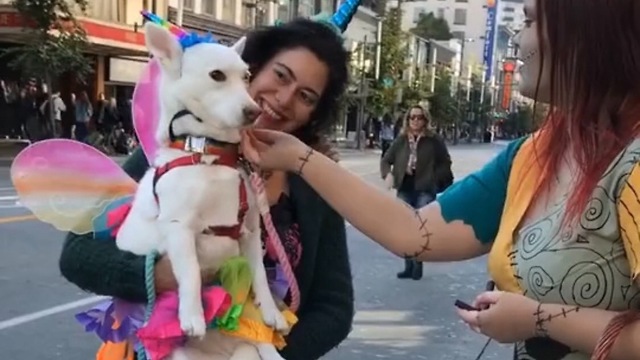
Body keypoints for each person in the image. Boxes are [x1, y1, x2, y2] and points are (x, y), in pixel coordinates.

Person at [239, 0, 640, 358]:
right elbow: (416, 232)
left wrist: (541, 319)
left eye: (530, 20)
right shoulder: (532, 155)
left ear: (585, 30)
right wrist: (299, 157)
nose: (518, 39)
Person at [58, 18, 354, 360]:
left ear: (314, 113)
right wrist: (157, 276)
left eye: (306, 96)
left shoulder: (315, 181)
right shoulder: (173, 150)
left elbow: (334, 309)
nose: (284, 99)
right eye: (281, 76)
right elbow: (77, 253)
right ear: (251, 70)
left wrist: (263, 352)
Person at [381, 105, 452, 280]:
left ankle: (418, 263)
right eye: (412, 117)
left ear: (425, 120)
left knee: (420, 227)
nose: (415, 121)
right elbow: (386, 160)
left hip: (425, 188)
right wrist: (388, 175)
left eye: (419, 117)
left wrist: (434, 178)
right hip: (405, 186)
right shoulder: (401, 140)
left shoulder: (434, 140)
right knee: (405, 227)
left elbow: (445, 162)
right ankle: (408, 265)